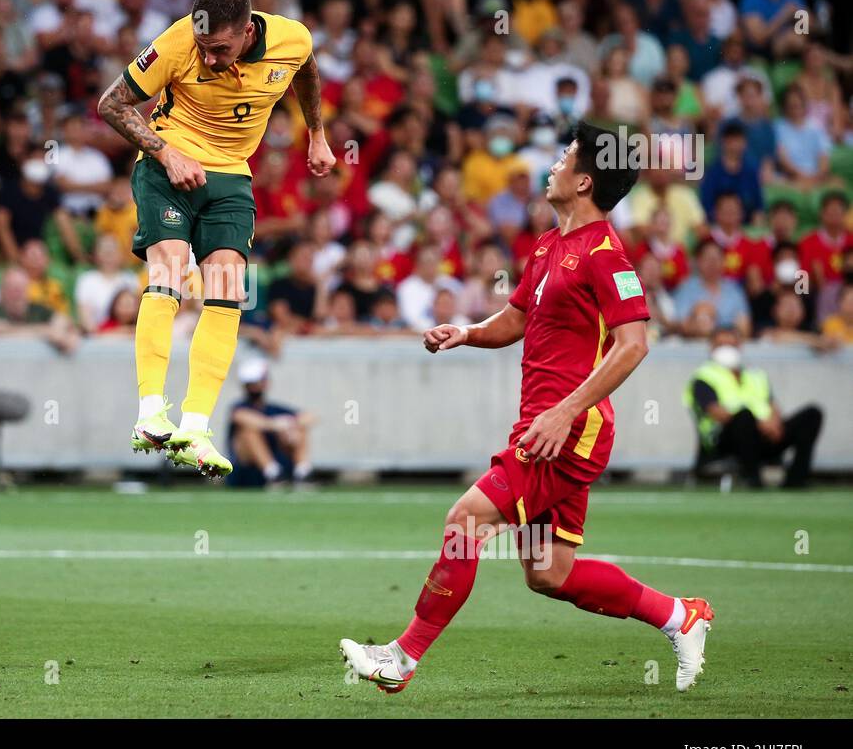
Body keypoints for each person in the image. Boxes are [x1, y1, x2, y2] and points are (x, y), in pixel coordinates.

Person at [341, 122, 714, 695]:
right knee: (549, 574)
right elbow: (515, 320)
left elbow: (635, 343)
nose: (554, 164)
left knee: (465, 522)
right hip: (545, 425)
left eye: (565, 157)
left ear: (584, 180)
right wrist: (466, 332)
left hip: (569, 430)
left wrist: (565, 411)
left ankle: (402, 657)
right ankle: (678, 616)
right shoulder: (547, 245)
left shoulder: (605, 253)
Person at [98, 0, 334, 477]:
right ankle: (150, 415)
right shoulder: (177, 41)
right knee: (169, 272)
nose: (207, 59)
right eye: (203, 49)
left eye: (220, 50)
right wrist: (166, 152)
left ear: (248, 32)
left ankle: (195, 427)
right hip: (167, 165)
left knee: (227, 291)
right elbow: (112, 104)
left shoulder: (292, 39)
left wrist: (317, 134)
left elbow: (306, 71)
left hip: (230, 175)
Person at [684, 327, 823, 487]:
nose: (727, 350)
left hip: (764, 436)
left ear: (740, 346)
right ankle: (753, 479)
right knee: (744, 417)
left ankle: (795, 481)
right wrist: (759, 424)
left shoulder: (756, 375)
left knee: (812, 414)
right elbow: (717, 413)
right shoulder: (704, 377)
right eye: (721, 345)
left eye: (731, 345)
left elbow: (773, 405)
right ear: (711, 347)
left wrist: (773, 423)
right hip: (725, 442)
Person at [226, 357, 314, 489]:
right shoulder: (239, 407)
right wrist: (276, 425)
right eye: (252, 383)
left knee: (299, 429)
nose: (255, 386)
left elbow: (310, 417)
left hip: (280, 462)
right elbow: (241, 417)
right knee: (249, 432)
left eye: (258, 381)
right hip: (244, 473)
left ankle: (302, 473)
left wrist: (290, 425)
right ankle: (272, 473)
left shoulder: (274, 409)